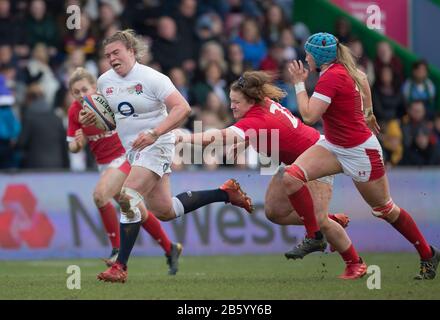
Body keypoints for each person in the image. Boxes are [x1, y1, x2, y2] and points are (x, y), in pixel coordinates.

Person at [80, 30, 252, 283]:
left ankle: (120, 267)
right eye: (107, 55)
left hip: (158, 143)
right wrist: (93, 120)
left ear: (131, 51)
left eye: (116, 52)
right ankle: (226, 193)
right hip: (134, 151)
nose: (112, 58)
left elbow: (182, 108)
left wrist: (155, 132)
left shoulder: (152, 78)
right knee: (165, 210)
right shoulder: (105, 82)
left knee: (127, 196)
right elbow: (113, 120)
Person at [176, 71, 363, 279]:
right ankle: (324, 218)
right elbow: (268, 128)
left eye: (236, 102)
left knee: (320, 223)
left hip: (317, 160)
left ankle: (355, 263)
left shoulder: (256, 119)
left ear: (250, 101)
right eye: (231, 101)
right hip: (296, 164)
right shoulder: (262, 104)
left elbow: (218, 136)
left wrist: (185, 138)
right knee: (273, 212)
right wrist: (244, 142)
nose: (231, 106)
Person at [287, 32, 440, 280]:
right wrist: (368, 112)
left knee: (385, 210)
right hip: (335, 146)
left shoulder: (331, 77)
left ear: (319, 56)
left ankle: (427, 253)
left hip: (360, 153)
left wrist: (297, 83)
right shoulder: (341, 70)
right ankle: (315, 236)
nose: (305, 57)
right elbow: (363, 78)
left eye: (308, 53)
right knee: (291, 178)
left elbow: (308, 116)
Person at [67, 67, 182, 275]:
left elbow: (120, 123)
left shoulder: (107, 101)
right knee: (136, 210)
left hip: (124, 157)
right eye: (76, 92)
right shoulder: (74, 111)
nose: (82, 95)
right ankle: (170, 248)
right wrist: (77, 143)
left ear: (95, 87)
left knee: (100, 196)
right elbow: (72, 146)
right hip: (105, 166)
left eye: (85, 89)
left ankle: (117, 250)